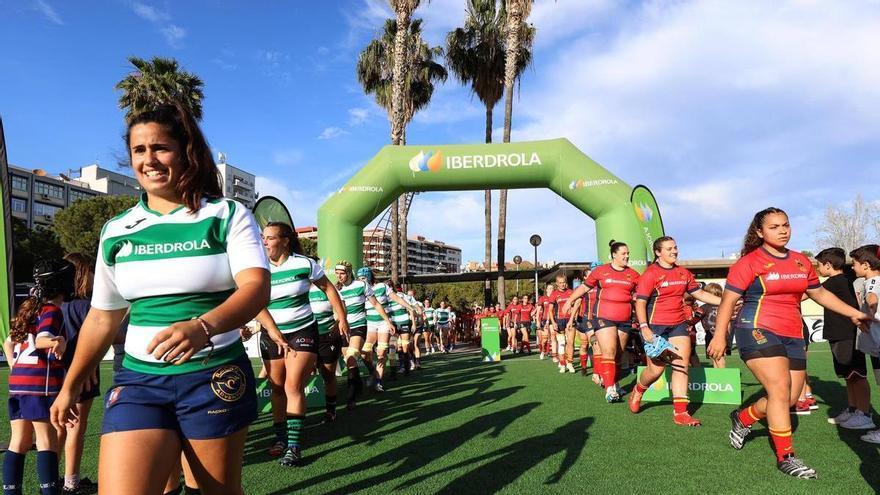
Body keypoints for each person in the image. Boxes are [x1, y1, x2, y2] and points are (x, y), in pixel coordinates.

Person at [50, 104, 271, 495]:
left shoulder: (226, 214)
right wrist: (69, 385)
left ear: (186, 151)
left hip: (213, 376)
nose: (148, 160)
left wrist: (204, 328)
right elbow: (103, 317)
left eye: (160, 148)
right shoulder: (116, 230)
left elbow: (256, 288)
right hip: (139, 381)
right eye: (139, 150)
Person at [708, 208, 870, 478]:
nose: (782, 230)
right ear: (760, 232)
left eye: (785, 225)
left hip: (793, 333)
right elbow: (728, 301)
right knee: (779, 388)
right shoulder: (749, 262)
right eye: (774, 227)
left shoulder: (800, 261)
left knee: (789, 398)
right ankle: (786, 457)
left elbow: (818, 293)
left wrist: (853, 313)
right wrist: (718, 335)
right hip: (756, 328)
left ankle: (743, 418)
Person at [254, 222, 348, 466]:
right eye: (262, 238)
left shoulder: (305, 264)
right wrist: (272, 331)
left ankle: (293, 447)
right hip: (270, 334)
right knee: (276, 387)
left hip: (303, 331)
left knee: (292, 385)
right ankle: (280, 438)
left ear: (285, 240)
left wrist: (342, 318)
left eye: (269, 238)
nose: (264, 242)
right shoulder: (258, 269)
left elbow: (328, 289)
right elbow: (254, 302)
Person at [630, 236, 722, 426]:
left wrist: (727, 301)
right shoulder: (650, 274)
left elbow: (700, 294)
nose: (674, 251)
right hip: (654, 326)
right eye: (669, 249)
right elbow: (640, 302)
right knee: (656, 370)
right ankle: (639, 389)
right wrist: (644, 327)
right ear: (658, 252)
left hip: (678, 324)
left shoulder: (683, 273)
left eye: (675, 248)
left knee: (681, 364)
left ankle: (681, 413)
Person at [3, 259, 73, 495]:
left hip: (18, 385)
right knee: (46, 440)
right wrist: (59, 340)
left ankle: (11, 491)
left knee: (19, 442)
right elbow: (43, 339)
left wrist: (15, 366)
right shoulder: (52, 310)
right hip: (38, 385)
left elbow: (7, 342)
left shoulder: (29, 308)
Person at [563, 241, 639, 402]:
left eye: (628, 253)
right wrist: (569, 300)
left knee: (618, 354)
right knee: (609, 351)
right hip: (603, 317)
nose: (627, 256)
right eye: (623, 253)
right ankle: (610, 389)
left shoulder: (633, 274)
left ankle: (615, 382)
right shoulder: (601, 271)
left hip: (625, 319)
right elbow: (583, 288)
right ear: (614, 255)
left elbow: (641, 294)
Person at [57, 253, 99, 495]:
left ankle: (50, 480)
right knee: (76, 428)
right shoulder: (87, 307)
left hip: (56, 375)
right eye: (90, 269)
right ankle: (70, 484)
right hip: (83, 375)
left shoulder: (54, 305)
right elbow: (98, 338)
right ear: (82, 273)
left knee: (58, 430)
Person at [334, 261, 394, 407]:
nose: (339, 276)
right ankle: (367, 374)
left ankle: (351, 398)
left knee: (351, 356)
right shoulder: (335, 289)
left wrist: (388, 321)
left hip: (359, 326)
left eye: (342, 273)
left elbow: (376, 304)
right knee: (351, 361)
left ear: (348, 273)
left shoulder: (361, 285)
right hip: (343, 328)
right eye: (337, 273)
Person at [849, 244, 880, 444]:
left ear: (866, 265)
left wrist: (865, 314)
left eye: (854, 263)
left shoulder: (871, 282)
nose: (852, 267)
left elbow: (871, 299)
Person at [360, 268, 405, 391]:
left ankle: (379, 382)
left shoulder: (382, 286)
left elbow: (396, 298)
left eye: (363, 277)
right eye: (360, 278)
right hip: (370, 324)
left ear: (369, 277)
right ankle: (373, 373)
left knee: (382, 352)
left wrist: (410, 308)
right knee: (364, 354)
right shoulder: (360, 289)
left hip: (385, 324)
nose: (361, 280)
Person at [308, 284, 343, 422]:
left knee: (328, 375)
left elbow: (341, 312)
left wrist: (335, 329)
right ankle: (301, 408)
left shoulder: (327, 288)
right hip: (305, 336)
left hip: (326, 337)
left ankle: (331, 409)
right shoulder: (297, 288)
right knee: (302, 372)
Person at [550, 276, 575, 373]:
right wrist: (553, 322)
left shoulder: (571, 292)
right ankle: (563, 364)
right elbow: (550, 310)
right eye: (560, 283)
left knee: (570, 342)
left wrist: (573, 317)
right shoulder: (554, 294)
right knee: (561, 343)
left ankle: (570, 363)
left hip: (570, 320)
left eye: (564, 282)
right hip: (559, 320)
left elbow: (575, 306)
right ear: (557, 284)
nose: (562, 284)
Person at [698, 283, 726, 368]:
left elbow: (694, 319)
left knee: (717, 357)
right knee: (716, 356)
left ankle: (724, 376)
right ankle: (718, 376)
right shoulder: (724, 305)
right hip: (722, 334)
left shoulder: (704, 307)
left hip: (711, 334)